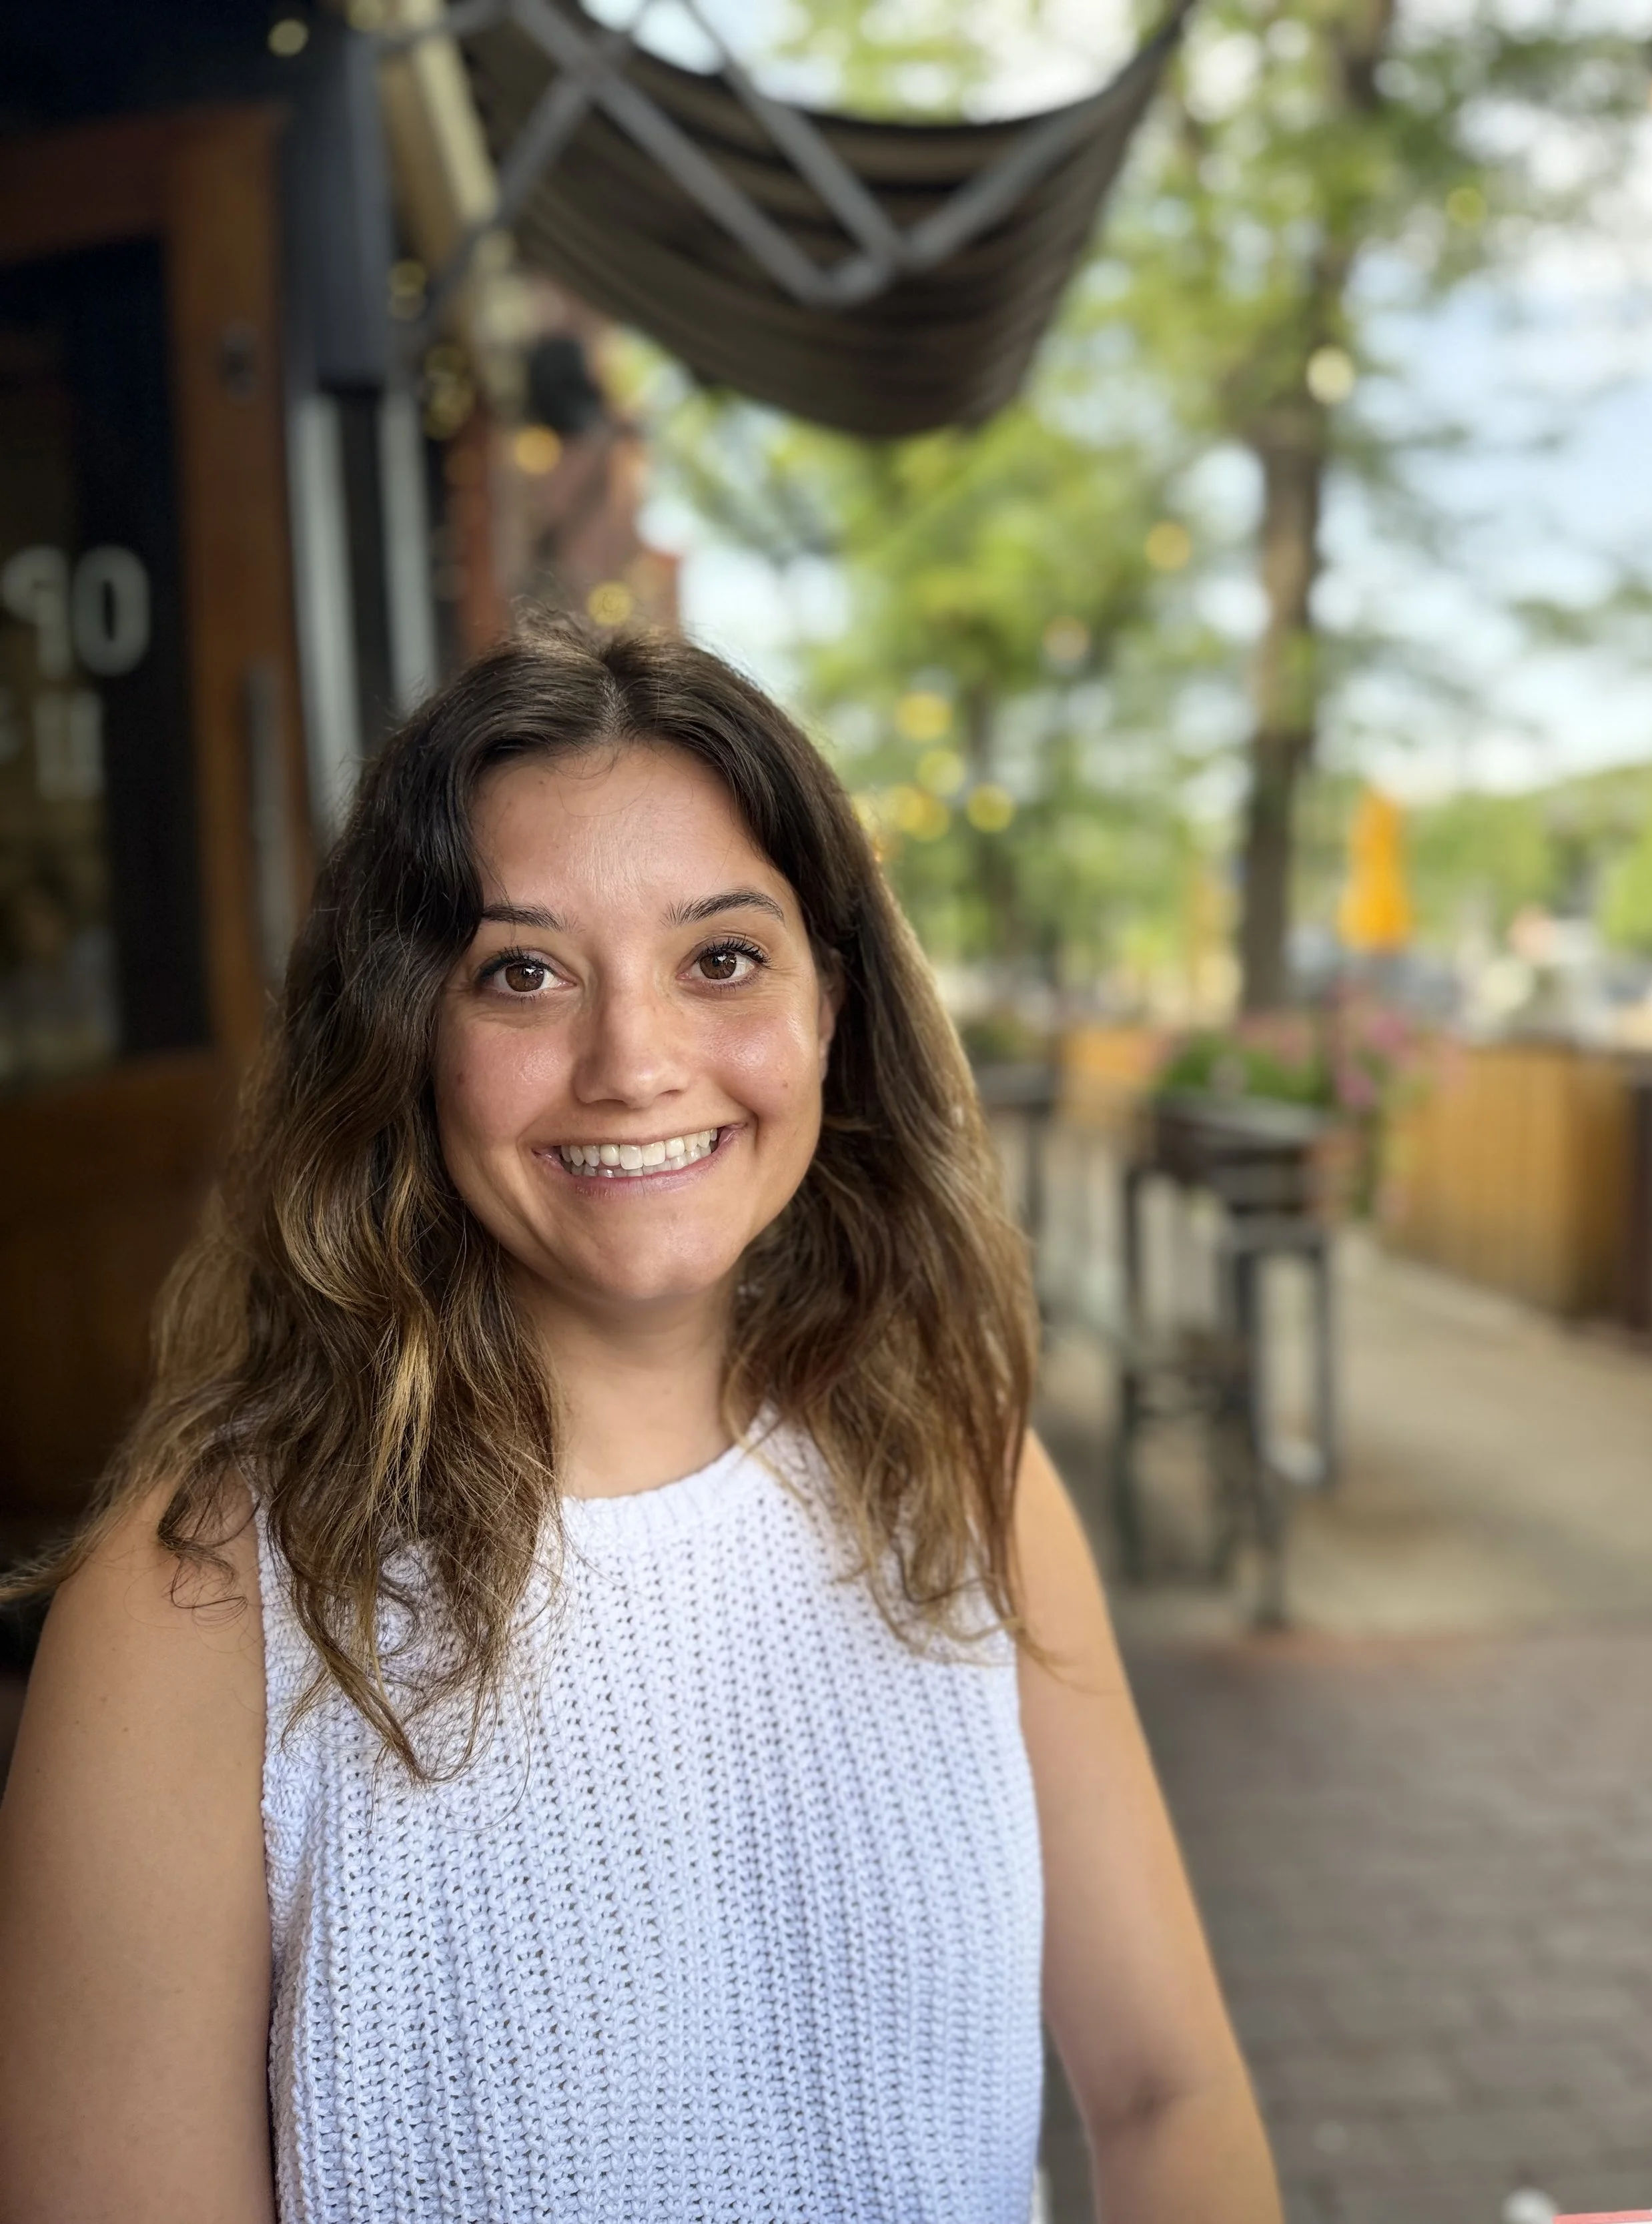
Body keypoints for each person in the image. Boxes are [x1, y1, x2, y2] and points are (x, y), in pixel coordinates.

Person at [0, 620, 1280, 2224]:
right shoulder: (196, 1602)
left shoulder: (959, 1468)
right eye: (522, 972)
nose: (634, 1061)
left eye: (721, 956)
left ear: (832, 1005)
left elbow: (1166, 2096)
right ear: (406, 1043)